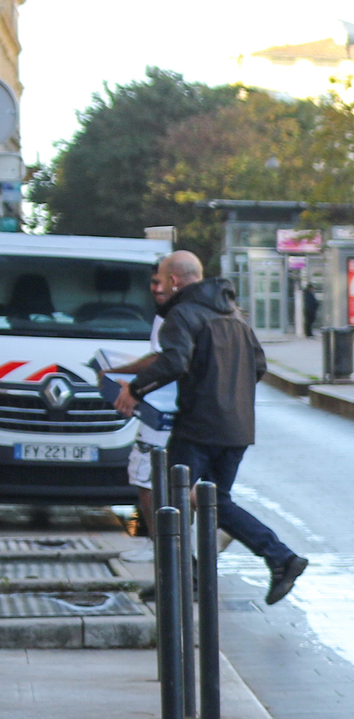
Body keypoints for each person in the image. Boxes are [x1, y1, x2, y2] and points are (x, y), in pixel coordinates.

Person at [116, 251, 307, 605]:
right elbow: (259, 366)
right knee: (213, 501)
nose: (158, 286)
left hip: (198, 428)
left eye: (160, 279)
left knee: (167, 503)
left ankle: (183, 579)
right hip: (236, 428)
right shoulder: (234, 315)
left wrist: (134, 389)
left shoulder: (182, 314)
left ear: (174, 280)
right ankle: (278, 558)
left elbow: (174, 361)